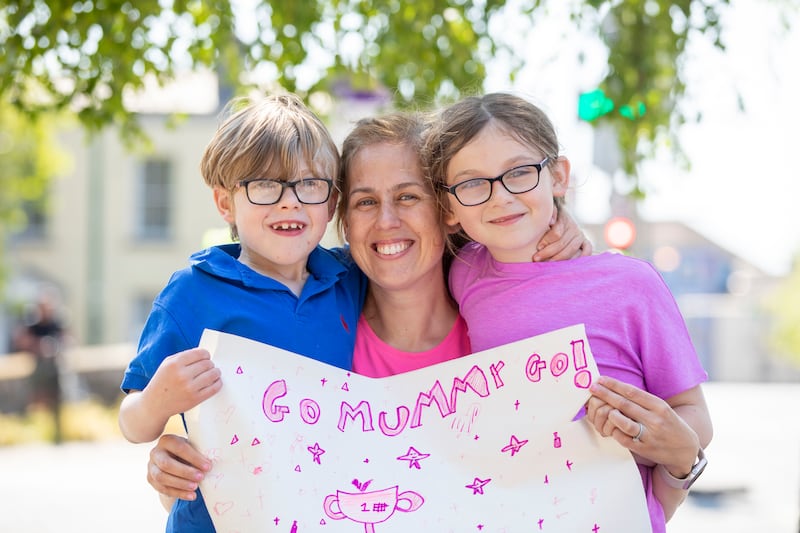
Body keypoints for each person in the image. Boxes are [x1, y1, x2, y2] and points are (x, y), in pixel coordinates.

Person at [143, 111, 592, 516]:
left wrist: (561, 221)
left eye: (409, 196)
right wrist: (174, 466)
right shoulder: (326, 297)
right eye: (365, 201)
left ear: (447, 209)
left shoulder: (494, 305)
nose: (387, 221)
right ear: (341, 215)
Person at [424, 92, 713, 533]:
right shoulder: (463, 273)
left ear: (557, 176)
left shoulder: (631, 285)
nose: (499, 197)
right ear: (448, 206)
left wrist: (653, 437)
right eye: (472, 183)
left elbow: (694, 420)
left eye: (520, 172)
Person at [118, 93, 368, 532]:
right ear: (225, 203)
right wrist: (157, 402)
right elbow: (132, 421)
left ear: (332, 203)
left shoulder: (350, 279)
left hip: (324, 515)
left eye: (310, 184)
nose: (290, 202)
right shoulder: (194, 292)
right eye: (265, 185)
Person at [12, 287, 67, 443]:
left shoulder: (56, 323)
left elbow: (67, 339)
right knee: (29, 399)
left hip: (54, 367)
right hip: (36, 367)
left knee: (57, 399)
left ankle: (57, 434)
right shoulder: (32, 324)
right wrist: (39, 346)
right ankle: (25, 432)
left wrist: (53, 347)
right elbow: (21, 340)